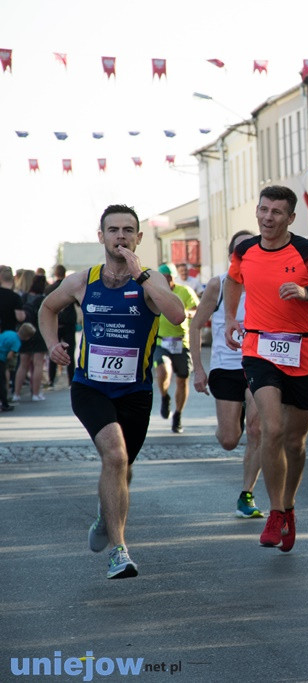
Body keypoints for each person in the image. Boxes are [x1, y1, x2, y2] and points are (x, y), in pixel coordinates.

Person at [39, 203, 185, 579]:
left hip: (135, 392)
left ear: (138, 238)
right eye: (113, 229)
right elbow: (46, 307)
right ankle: (119, 551)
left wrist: (143, 275)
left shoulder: (150, 281)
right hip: (90, 388)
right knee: (116, 457)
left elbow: (176, 315)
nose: (121, 236)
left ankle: (107, 515)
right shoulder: (83, 281)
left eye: (128, 230)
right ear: (101, 236)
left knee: (123, 468)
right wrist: (52, 343)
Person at [223, 185, 308, 552]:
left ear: (291, 218)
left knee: (295, 442)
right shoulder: (244, 250)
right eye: (263, 210)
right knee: (269, 428)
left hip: (303, 352)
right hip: (259, 348)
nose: (267, 217)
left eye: (276, 212)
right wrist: (231, 317)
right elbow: (233, 279)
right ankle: (275, 512)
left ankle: (289, 506)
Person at [189, 229, 264, 519]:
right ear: (233, 255)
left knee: (257, 430)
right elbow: (195, 326)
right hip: (226, 366)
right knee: (231, 440)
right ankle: (228, 425)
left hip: (259, 365)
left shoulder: (265, 282)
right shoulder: (218, 285)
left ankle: (247, 495)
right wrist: (198, 369)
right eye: (239, 250)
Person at [153, 263, 198, 433]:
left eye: (170, 276)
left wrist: (188, 313)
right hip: (160, 341)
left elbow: (196, 309)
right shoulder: (155, 292)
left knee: (182, 379)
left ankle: (178, 415)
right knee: (163, 371)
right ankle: (165, 397)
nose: (168, 280)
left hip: (181, 342)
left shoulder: (184, 291)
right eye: (165, 277)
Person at [12, 274, 48, 401]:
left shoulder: (24, 297)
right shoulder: (44, 299)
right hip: (39, 333)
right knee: (38, 365)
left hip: (25, 332)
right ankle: (36, 393)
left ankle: (16, 394)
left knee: (23, 365)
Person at [44, 264, 78, 388]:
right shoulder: (71, 287)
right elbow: (79, 303)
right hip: (69, 322)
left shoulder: (49, 288)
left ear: (55, 273)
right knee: (70, 352)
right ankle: (71, 381)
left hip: (56, 323)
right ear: (64, 273)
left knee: (54, 350)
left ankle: (51, 381)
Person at [0, 324, 34, 411]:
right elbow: (9, 356)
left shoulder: (9, 332)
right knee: (2, 382)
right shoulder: (17, 342)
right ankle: (4, 404)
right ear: (27, 337)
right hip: (1, 359)